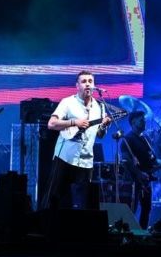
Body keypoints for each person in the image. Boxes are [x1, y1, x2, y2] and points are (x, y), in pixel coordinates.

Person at [42, 70, 111, 209]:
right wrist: (74, 122)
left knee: (82, 202)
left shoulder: (100, 106)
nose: (87, 84)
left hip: (86, 161)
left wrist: (104, 126)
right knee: (55, 198)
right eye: (84, 81)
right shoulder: (68, 102)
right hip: (65, 157)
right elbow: (51, 124)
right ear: (77, 86)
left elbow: (100, 135)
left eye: (90, 81)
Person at [120, 110, 158, 229]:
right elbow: (126, 161)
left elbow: (152, 158)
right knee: (132, 208)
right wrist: (138, 173)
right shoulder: (127, 139)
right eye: (141, 120)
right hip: (132, 180)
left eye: (144, 120)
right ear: (133, 122)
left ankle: (142, 235)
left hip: (146, 180)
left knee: (147, 208)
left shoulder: (145, 139)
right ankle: (127, 235)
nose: (144, 122)